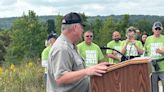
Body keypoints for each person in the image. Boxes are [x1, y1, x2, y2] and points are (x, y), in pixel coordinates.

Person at [47, 12, 109, 92]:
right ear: (75, 27)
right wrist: (87, 71)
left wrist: (95, 68)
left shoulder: (71, 46)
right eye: (82, 27)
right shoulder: (62, 48)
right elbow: (60, 78)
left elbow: (76, 71)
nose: (83, 30)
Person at [144, 21, 164, 92]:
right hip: (152, 67)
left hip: (163, 67)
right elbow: (145, 52)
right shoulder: (148, 39)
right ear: (153, 29)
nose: (157, 30)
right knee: (153, 88)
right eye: (156, 29)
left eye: (159, 29)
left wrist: (162, 52)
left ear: (161, 29)